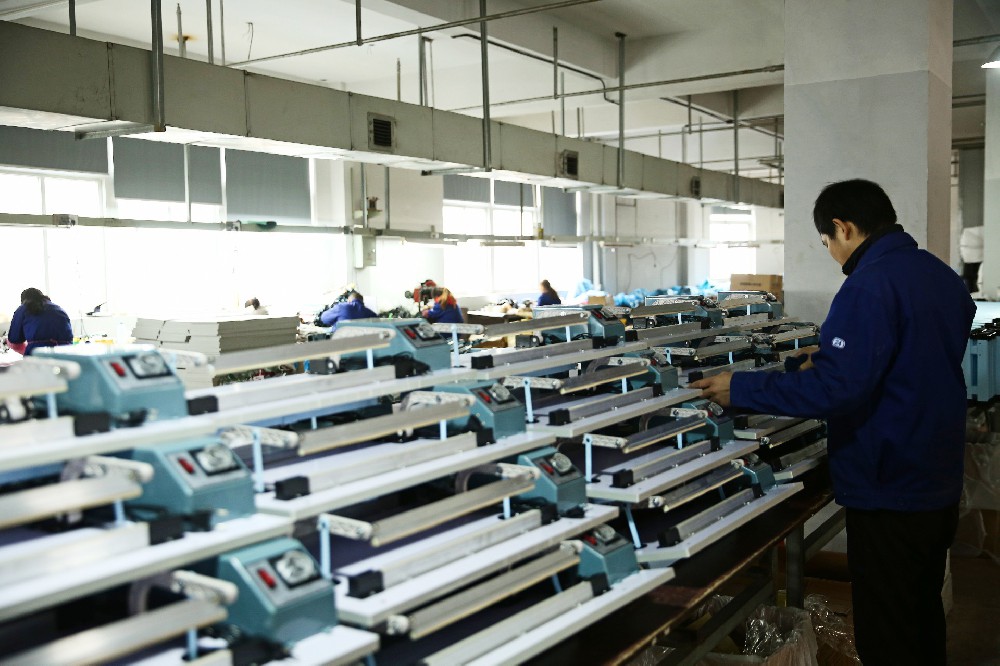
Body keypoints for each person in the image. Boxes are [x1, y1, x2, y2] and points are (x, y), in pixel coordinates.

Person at [691, 179, 975, 666]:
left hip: (890, 483)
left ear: (842, 227)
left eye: (826, 241)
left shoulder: (868, 284)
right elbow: (911, 358)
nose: (830, 252)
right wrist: (831, 360)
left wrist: (740, 388)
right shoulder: (938, 274)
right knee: (920, 613)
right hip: (935, 472)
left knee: (886, 633)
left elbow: (836, 391)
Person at [7, 288, 74, 356]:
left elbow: (14, 340)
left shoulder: (23, 308)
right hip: (66, 353)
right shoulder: (58, 309)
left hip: (39, 353)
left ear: (23, 300)